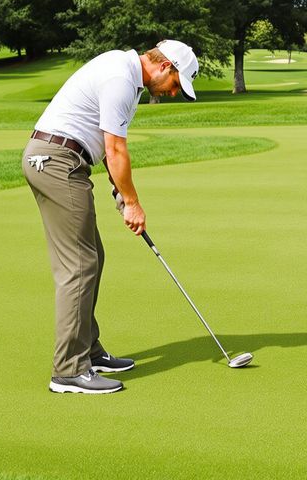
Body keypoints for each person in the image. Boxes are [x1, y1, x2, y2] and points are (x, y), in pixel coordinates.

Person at [21, 40, 199, 394]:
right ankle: (69, 370)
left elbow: (105, 145)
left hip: (62, 159)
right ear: (165, 67)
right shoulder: (121, 77)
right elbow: (116, 149)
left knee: (92, 258)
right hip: (57, 162)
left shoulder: (126, 75)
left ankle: (89, 350)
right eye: (177, 84)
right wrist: (133, 202)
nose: (173, 93)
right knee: (80, 265)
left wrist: (121, 193)